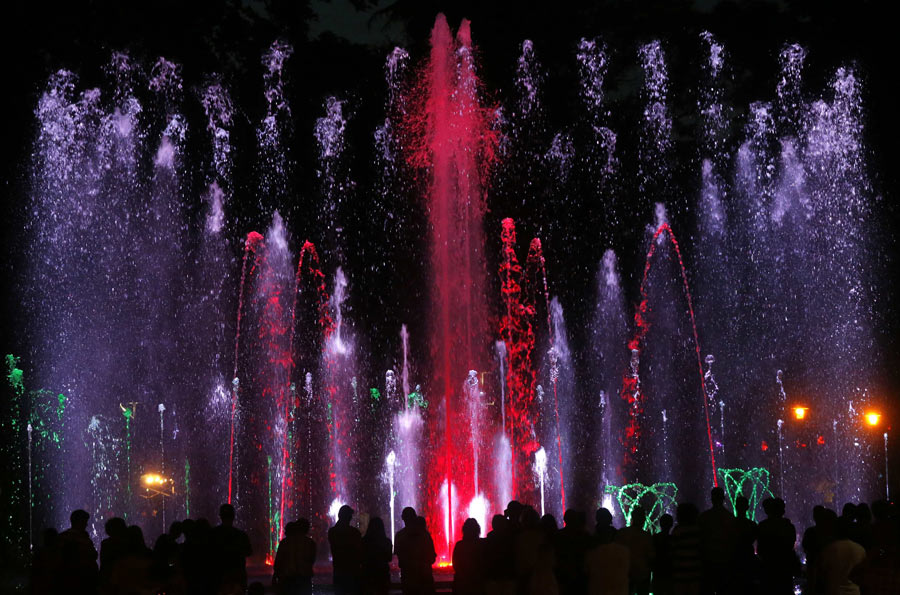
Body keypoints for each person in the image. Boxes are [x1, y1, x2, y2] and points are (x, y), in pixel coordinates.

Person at [697, 487, 735, 595]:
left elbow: (700, 540)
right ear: (723, 498)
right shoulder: (729, 517)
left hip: (708, 562)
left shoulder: (704, 517)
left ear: (711, 499)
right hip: (725, 561)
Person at [756, 498, 798, 595]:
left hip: (768, 569)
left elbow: (760, 549)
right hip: (784, 569)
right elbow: (790, 545)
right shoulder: (788, 526)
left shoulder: (763, 526)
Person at [211, 503, 253, 594]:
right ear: (233, 516)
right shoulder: (241, 535)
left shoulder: (213, 534)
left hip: (219, 576)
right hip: (237, 576)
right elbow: (249, 552)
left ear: (220, 516)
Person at [394, 507, 436, 595]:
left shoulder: (400, 536)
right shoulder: (424, 535)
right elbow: (432, 557)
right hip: (424, 577)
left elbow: (398, 555)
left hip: (408, 577)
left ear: (403, 518)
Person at [58, 509, 99, 595]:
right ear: (79, 522)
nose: (86, 524)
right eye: (84, 521)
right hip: (80, 580)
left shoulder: (63, 537)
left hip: (70, 580)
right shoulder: (82, 538)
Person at [615, 506, 655, 595]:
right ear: (643, 519)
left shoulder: (622, 533)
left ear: (632, 517)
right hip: (642, 574)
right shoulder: (646, 536)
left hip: (626, 573)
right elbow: (651, 556)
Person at [585, 518, 630, 595]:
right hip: (619, 590)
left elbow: (587, 570)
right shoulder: (624, 551)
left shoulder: (592, 553)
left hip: (599, 589)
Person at [274, 519, 317, 595]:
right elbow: (312, 560)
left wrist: (276, 576)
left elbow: (278, 561)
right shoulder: (310, 543)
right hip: (304, 579)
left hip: (287, 579)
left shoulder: (285, 542)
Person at [329, 505, 363, 595]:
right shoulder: (354, 533)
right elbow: (359, 550)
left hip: (339, 569)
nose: (351, 518)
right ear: (348, 517)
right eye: (350, 516)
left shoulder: (332, 532)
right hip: (352, 570)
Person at [670, 503, 702, 595]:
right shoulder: (698, 530)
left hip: (680, 574)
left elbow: (673, 550)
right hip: (695, 573)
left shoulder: (678, 530)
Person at [732, 497, 759, 595]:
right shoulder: (752, 525)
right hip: (748, 559)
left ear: (736, 506)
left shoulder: (730, 524)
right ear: (747, 507)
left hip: (734, 560)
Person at [452, 518, 486, 595]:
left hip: (462, 583)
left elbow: (456, 564)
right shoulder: (481, 544)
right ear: (478, 530)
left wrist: (462, 575)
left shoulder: (459, 545)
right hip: (477, 582)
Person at [361, 517, 393, 595]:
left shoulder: (364, 541)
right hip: (382, 574)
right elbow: (389, 558)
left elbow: (361, 557)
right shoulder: (387, 542)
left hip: (368, 574)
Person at [652, 514, 674, 595]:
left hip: (658, 573)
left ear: (660, 524)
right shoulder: (673, 539)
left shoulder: (655, 538)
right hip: (670, 574)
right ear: (671, 524)